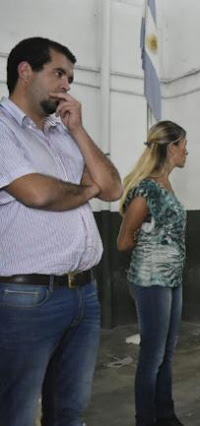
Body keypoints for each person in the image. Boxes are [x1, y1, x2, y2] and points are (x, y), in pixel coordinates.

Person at [0, 37, 122, 425]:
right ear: (25, 71)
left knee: (70, 409)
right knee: (17, 411)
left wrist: (79, 131)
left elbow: (113, 188)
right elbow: (37, 192)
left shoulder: (63, 131)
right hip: (27, 296)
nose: (66, 84)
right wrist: (87, 190)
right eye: (58, 73)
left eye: (70, 77)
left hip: (84, 293)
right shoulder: (2, 127)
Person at [117, 121, 189, 426]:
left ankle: (166, 415)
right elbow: (123, 241)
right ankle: (145, 420)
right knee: (152, 356)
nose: (186, 151)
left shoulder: (165, 184)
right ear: (172, 148)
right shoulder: (147, 188)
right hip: (150, 279)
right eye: (184, 145)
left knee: (167, 353)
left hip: (171, 279)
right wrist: (151, 244)